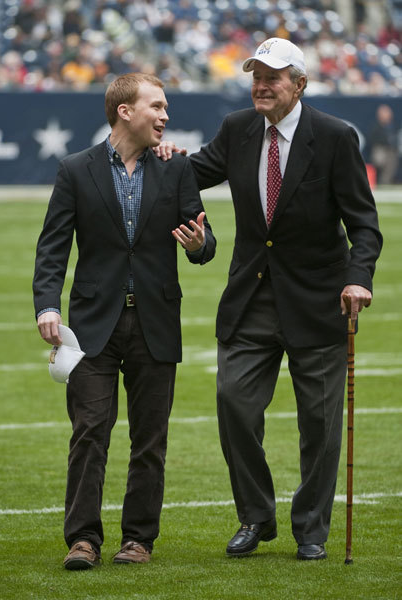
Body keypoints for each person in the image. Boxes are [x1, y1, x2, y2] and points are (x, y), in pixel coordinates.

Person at [156, 38, 382, 560]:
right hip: (251, 297)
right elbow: (193, 173)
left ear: (299, 85)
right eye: (256, 73)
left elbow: (364, 225)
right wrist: (162, 155)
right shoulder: (237, 128)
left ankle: (310, 528)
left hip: (320, 301)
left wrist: (359, 277)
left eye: (273, 76)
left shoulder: (334, 136)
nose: (261, 83)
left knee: (320, 426)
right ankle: (256, 517)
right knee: (233, 403)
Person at [33, 73, 216, 570]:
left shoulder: (176, 169)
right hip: (92, 325)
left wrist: (201, 246)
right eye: (156, 106)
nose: (165, 115)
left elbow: (205, 240)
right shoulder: (75, 170)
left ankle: (138, 540)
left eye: (166, 107)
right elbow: (52, 247)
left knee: (149, 439)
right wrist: (47, 306)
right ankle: (83, 539)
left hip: (156, 321)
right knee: (90, 430)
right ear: (125, 111)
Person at [368, 103, 399, 185]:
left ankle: (385, 182)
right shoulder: (375, 127)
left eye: (387, 113)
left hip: (392, 150)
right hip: (380, 149)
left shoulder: (395, 126)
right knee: (380, 157)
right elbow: (373, 140)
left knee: (392, 158)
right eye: (383, 113)